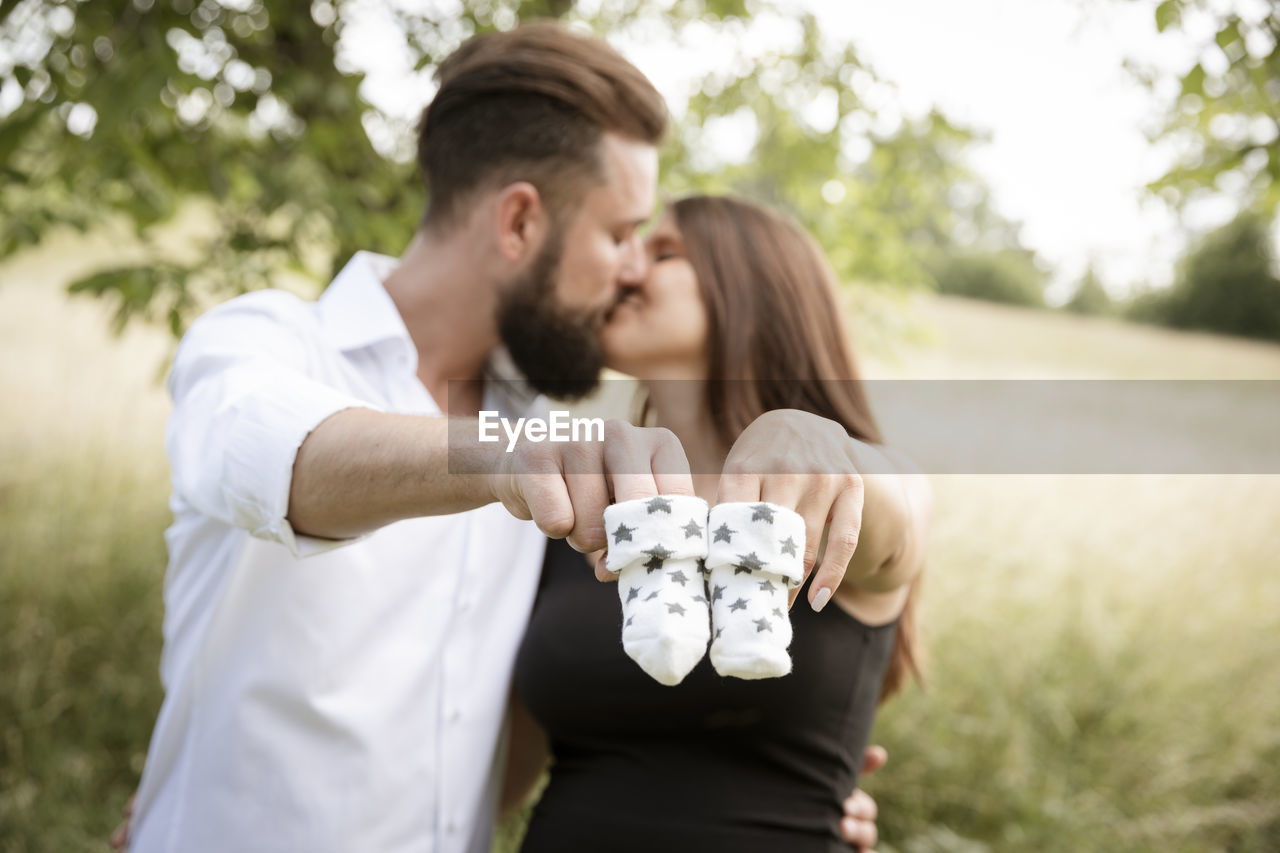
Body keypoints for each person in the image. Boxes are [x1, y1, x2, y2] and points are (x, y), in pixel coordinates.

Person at [116, 23, 898, 853]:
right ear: (521, 221)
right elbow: (289, 459)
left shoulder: (554, 431)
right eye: (619, 233)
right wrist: (497, 459)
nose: (631, 270)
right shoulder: (266, 345)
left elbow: (522, 741)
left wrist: (761, 779)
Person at [506, 195, 932, 852]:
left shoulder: (854, 487)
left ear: (756, 289)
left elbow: (895, 523)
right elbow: (503, 771)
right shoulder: (589, 506)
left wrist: (813, 441)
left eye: (665, 250)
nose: (626, 269)